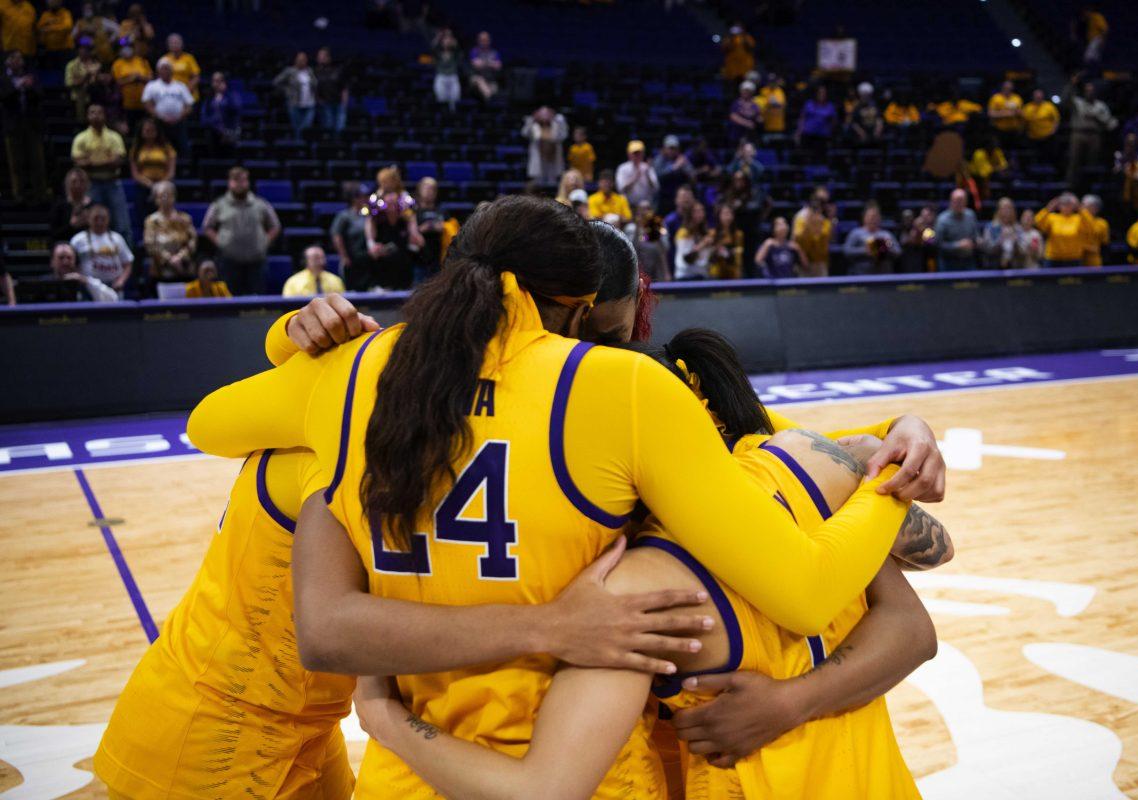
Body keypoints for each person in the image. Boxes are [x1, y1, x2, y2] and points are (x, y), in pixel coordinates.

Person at [187, 195, 941, 796]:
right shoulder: (621, 394)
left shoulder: (352, 372)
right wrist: (888, 477)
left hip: (416, 767)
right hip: (576, 757)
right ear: (581, 313)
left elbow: (210, 424)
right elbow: (807, 577)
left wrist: (292, 335)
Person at [350, 328, 948, 800]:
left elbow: (544, 789)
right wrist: (882, 442)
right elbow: (918, 615)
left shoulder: (635, 590)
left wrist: (389, 721)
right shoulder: (810, 472)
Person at [202, 167, 282, 294]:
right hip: (229, 261)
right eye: (236, 180)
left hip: (256, 261)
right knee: (229, 299)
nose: (240, 184)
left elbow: (275, 226)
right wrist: (220, 242)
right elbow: (207, 227)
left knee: (257, 302)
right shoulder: (219, 204)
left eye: (243, 180)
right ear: (229, 182)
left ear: (248, 182)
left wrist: (265, 241)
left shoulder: (260, 204)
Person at [71, 103, 132, 246]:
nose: (96, 115)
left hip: (113, 183)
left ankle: (128, 261)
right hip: (91, 185)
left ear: (105, 116)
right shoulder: (81, 138)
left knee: (122, 226)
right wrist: (106, 161)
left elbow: (117, 162)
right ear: (87, 116)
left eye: (99, 112)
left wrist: (92, 162)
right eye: (92, 112)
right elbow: (79, 163)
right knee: (90, 224)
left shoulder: (114, 137)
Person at [0, 50, 47, 204]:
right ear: (8, 61)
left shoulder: (31, 77)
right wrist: (17, 87)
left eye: (20, 58)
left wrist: (29, 87)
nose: (18, 61)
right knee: (16, 163)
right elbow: (4, 97)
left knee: (37, 160)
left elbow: (40, 96)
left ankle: (40, 194)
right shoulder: (4, 79)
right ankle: (18, 194)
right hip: (12, 127)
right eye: (14, 58)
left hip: (32, 125)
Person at [1064, 76, 1117, 190]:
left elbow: (1111, 123)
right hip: (1078, 134)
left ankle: (1090, 186)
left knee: (1092, 161)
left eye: (1091, 90)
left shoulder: (1100, 105)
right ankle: (1071, 187)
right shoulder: (1078, 102)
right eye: (1087, 90)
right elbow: (1066, 98)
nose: (1089, 92)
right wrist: (1071, 84)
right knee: (1074, 161)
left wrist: (1097, 117)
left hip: (1094, 135)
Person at [364, 188, 423, 290]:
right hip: (383, 275)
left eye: (394, 204)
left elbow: (418, 243)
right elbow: (372, 249)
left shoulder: (405, 221)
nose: (392, 206)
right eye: (389, 203)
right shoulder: (377, 221)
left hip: (403, 274)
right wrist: (376, 248)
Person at [70, 203, 132, 293]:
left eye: (103, 219)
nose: (99, 222)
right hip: (87, 286)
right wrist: (80, 278)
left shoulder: (117, 238)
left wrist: (121, 281)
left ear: (108, 220)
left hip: (113, 286)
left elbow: (128, 263)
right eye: (96, 218)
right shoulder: (78, 240)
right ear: (88, 219)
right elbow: (71, 264)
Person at [144, 180, 196, 284]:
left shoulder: (185, 218)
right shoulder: (151, 221)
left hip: (183, 266)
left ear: (174, 197)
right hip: (160, 268)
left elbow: (192, 241)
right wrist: (169, 259)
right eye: (161, 196)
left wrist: (180, 257)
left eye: (168, 195)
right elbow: (150, 245)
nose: (165, 199)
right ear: (156, 199)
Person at [141, 58, 193, 159]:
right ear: (158, 71)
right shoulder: (152, 86)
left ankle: (184, 170)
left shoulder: (180, 86)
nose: (165, 71)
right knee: (161, 148)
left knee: (183, 148)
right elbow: (147, 104)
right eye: (163, 69)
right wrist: (160, 117)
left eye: (167, 68)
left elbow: (189, 105)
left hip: (179, 123)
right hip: (159, 123)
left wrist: (179, 117)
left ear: (171, 70)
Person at [129, 116, 175, 220]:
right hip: (143, 185)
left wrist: (160, 185)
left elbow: (171, 172)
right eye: (147, 130)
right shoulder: (136, 149)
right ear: (141, 132)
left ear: (157, 131)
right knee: (141, 205)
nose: (149, 132)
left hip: (164, 184)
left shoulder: (167, 148)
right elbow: (135, 174)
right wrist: (150, 185)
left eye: (152, 130)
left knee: (165, 198)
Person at [1035, 192, 1096, 268]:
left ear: (1073, 206)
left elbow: (1091, 224)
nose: (1066, 206)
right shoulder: (1052, 217)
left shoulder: (1078, 218)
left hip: (1073, 259)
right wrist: (1048, 208)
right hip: (1053, 259)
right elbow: (1037, 222)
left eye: (1069, 204)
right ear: (1059, 206)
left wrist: (1080, 207)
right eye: (1063, 204)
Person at [41, 241, 116, 302]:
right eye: (61, 258)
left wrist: (86, 282)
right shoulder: (43, 283)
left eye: (69, 258)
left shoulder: (84, 282)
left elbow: (113, 299)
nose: (65, 262)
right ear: (52, 262)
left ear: (75, 261)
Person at [330, 182, 371, 291]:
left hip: (367, 259)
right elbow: (336, 236)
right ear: (355, 198)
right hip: (351, 260)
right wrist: (344, 256)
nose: (365, 199)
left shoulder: (369, 215)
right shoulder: (345, 216)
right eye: (362, 197)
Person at [843, 202, 899, 275]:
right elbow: (847, 251)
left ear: (879, 218)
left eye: (875, 216)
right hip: (861, 275)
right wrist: (865, 251)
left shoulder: (886, 234)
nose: (872, 219)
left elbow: (898, 251)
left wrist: (886, 249)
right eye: (870, 216)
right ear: (864, 218)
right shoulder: (856, 233)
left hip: (884, 275)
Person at [792, 187, 835, 277]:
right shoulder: (801, 217)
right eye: (821, 200)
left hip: (820, 263)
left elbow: (829, 240)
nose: (823, 204)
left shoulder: (826, 219)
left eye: (825, 201)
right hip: (804, 264)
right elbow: (795, 240)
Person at [274, 51, 316, 138]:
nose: (301, 61)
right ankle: (298, 146)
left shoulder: (309, 71)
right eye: (299, 59)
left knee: (306, 128)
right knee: (297, 128)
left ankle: (304, 147)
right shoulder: (289, 71)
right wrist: (287, 91)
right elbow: (276, 82)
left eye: (303, 59)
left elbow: (315, 84)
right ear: (295, 60)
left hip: (309, 104)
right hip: (294, 104)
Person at [980, 197, 1031, 269]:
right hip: (994, 267)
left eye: (1009, 208)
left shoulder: (1018, 228)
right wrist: (1000, 240)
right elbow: (986, 248)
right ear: (998, 210)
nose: (1007, 211)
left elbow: (1024, 250)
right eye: (1004, 208)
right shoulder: (991, 227)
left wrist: (1015, 242)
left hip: (1015, 268)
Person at [521, 105, 568, 184]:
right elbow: (524, 134)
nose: (544, 117)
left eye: (546, 114)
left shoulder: (556, 124)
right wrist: (530, 121)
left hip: (553, 154)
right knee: (538, 180)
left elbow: (563, 135)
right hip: (539, 153)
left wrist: (561, 122)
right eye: (542, 114)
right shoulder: (534, 125)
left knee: (552, 179)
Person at [934, 189, 978, 271]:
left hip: (968, 261)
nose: (960, 203)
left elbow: (975, 237)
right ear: (951, 201)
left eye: (962, 201)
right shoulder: (942, 219)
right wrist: (957, 245)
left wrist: (976, 242)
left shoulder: (971, 215)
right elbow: (938, 244)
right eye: (957, 201)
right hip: (948, 263)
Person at [626, 201, 670, 283]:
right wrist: (638, 228)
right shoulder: (631, 228)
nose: (645, 212)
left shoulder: (659, 225)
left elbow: (665, 248)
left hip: (657, 266)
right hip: (640, 267)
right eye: (642, 209)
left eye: (648, 208)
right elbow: (631, 251)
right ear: (638, 212)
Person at [413, 177, 445, 284]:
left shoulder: (441, 211)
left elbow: (448, 228)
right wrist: (422, 229)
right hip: (419, 261)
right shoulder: (414, 211)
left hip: (437, 260)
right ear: (419, 190)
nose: (429, 191)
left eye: (432, 188)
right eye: (426, 187)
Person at [651, 135, 693, 216]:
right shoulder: (659, 160)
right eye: (670, 148)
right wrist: (675, 167)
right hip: (662, 199)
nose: (672, 151)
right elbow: (657, 176)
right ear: (664, 148)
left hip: (678, 198)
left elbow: (692, 175)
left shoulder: (681, 159)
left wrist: (684, 167)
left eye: (675, 148)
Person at [200, 71, 241, 153]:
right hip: (213, 133)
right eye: (214, 81)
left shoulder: (231, 95)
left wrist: (226, 93)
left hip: (229, 132)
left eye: (218, 81)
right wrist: (213, 125)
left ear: (224, 82)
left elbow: (236, 108)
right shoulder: (209, 97)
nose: (215, 84)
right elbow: (204, 116)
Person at [50, 167, 94, 243]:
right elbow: (53, 234)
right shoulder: (60, 206)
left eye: (82, 181)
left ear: (87, 184)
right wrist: (71, 225)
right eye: (74, 182)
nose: (78, 185)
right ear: (67, 184)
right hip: (66, 244)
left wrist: (91, 222)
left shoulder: (94, 206)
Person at [675, 201, 715, 280]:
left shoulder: (706, 233)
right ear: (690, 214)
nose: (700, 214)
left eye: (702, 210)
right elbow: (687, 258)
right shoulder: (683, 233)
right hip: (686, 276)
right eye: (696, 211)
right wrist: (702, 244)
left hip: (702, 274)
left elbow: (708, 258)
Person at [111, 42, 152, 121]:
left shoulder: (142, 61)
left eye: (129, 47)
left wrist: (140, 78)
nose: (126, 50)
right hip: (126, 104)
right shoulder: (117, 64)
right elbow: (117, 82)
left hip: (143, 103)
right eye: (123, 47)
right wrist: (131, 79)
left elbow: (150, 78)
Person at [65, 38, 102, 121]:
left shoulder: (97, 65)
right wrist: (85, 77)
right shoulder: (71, 65)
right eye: (82, 48)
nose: (84, 51)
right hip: (77, 98)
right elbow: (69, 83)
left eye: (87, 49)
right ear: (78, 50)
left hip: (95, 98)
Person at [313, 46, 348, 135]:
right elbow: (313, 88)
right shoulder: (315, 71)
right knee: (327, 128)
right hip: (324, 104)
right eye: (319, 55)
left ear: (328, 57)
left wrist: (344, 103)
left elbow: (344, 88)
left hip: (338, 104)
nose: (319, 57)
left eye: (322, 55)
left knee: (340, 129)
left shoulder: (338, 70)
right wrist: (318, 100)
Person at [617, 139, 659, 209]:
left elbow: (655, 189)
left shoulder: (648, 168)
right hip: (628, 206)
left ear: (643, 153)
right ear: (629, 154)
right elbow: (621, 189)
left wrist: (647, 174)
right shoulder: (622, 168)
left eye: (639, 153)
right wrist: (635, 178)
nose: (637, 155)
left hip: (645, 206)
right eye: (634, 153)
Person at [796, 84, 837, 156]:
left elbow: (833, 121)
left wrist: (830, 131)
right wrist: (799, 132)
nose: (822, 95)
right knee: (805, 155)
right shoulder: (809, 104)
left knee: (820, 158)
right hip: (808, 135)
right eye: (820, 93)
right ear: (816, 94)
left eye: (824, 93)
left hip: (822, 137)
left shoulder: (829, 106)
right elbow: (802, 118)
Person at [1022, 88, 1061, 162]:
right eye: (1037, 96)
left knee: (1048, 157)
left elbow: (1056, 119)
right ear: (1033, 97)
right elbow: (1024, 122)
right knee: (1033, 158)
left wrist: (1053, 130)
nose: (1038, 98)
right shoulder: (1027, 107)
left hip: (1048, 138)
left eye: (1040, 96)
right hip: (1033, 138)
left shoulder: (1049, 106)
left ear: (1043, 96)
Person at [967, 135, 1010, 199]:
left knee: (1007, 176)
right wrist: (997, 168)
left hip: (992, 175)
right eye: (992, 145)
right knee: (984, 180)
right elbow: (983, 172)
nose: (993, 147)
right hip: (975, 177)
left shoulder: (996, 151)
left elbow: (1005, 166)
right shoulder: (979, 154)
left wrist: (998, 169)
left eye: (995, 145)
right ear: (986, 145)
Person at [710, 203, 745, 280]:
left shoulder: (738, 234)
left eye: (730, 213)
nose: (728, 217)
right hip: (716, 273)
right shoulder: (712, 233)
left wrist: (731, 252)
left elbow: (739, 253)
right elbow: (709, 256)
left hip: (733, 273)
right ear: (719, 216)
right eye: (725, 214)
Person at [36, 0, 75, 69]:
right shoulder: (45, 15)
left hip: (64, 51)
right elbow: (40, 28)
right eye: (50, 1)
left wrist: (50, 28)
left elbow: (67, 27)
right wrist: (58, 27)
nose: (52, 2)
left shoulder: (65, 13)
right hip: (50, 51)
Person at [162, 33, 200, 100]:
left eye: (177, 42)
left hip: (188, 95)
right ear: (168, 45)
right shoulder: (165, 59)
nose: (175, 45)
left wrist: (185, 91)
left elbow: (196, 77)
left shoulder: (189, 58)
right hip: (171, 96)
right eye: (172, 43)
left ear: (182, 44)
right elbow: (161, 78)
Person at [431, 28, 462, 111]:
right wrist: (438, 36)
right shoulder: (438, 52)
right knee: (441, 100)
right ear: (442, 41)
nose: (447, 41)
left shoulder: (455, 52)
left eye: (449, 40)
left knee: (454, 101)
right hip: (441, 77)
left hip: (453, 77)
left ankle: (454, 118)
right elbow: (432, 47)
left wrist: (450, 35)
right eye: (445, 40)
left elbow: (457, 46)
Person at [900, 205, 938, 273]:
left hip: (930, 263)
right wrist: (916, 229)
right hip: (913, 263)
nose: (924, 218)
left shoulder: (933, 229)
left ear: (933, 216)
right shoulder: (912, 228)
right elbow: (905, 242)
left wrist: (922, 231)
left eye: (927, 216)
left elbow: (930, 243)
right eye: (923, 216)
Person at [987, 80, 1023, 147]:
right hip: (1000, 130)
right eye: (1006, 88)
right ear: (1002, 88)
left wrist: (1018, 113)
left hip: (1013, 130)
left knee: (1013, 150)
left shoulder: (1017, 98)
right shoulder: (996, 98)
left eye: (1010, 88)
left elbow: (1021, 113)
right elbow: (991, 114)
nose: (1008, 90)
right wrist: (1006, 114)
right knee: (1000, 149)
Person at [468, 31, 501, 103]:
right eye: (482, 40)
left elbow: (498, 66)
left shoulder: (494, 52)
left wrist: (483, 62)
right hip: (476, 79)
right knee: (479, 80)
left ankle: (486, 105)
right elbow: (476, 65)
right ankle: (487, 98)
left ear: (489, 41)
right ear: (478, 41)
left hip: (490, 80)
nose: (484, 42)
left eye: (486, 40)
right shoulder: (474, 51)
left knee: (493, 90)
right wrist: (491, 63)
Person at [1080, 194, 1110, 267]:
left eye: (1088, 206)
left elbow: (1104, 243)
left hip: (1094, 258)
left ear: (1097, 208)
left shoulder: (1102, 223)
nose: (1084, 209)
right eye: (1083, 206)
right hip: (1077, 256)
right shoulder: (1076, 220)